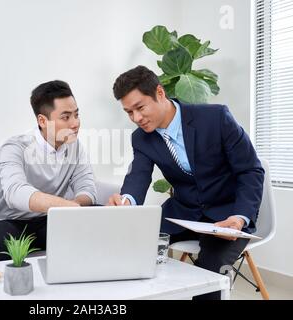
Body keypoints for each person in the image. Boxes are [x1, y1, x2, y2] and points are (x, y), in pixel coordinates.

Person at [107, 65, 264, 300]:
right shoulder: (141, 138)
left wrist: (239, 217)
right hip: (182, 212)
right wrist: (126, 201)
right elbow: (138, 175)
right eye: (129, 112)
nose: (136, 118)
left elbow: (250, 170)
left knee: (209, 272)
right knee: (131, 246)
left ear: (160, 93)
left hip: (227, 216)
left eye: (140, 107)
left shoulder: (216, 118)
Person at [0, 80, 97, 261]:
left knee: (100, 216)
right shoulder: (16, 146)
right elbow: (15, 192)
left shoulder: (75, 146)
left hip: (51, 220)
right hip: (12, 223)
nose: (75, 124)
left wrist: (73, 208)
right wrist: (66, 206)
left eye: (76, 115)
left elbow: (88, 189)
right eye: (66, 117)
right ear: (42, 121)